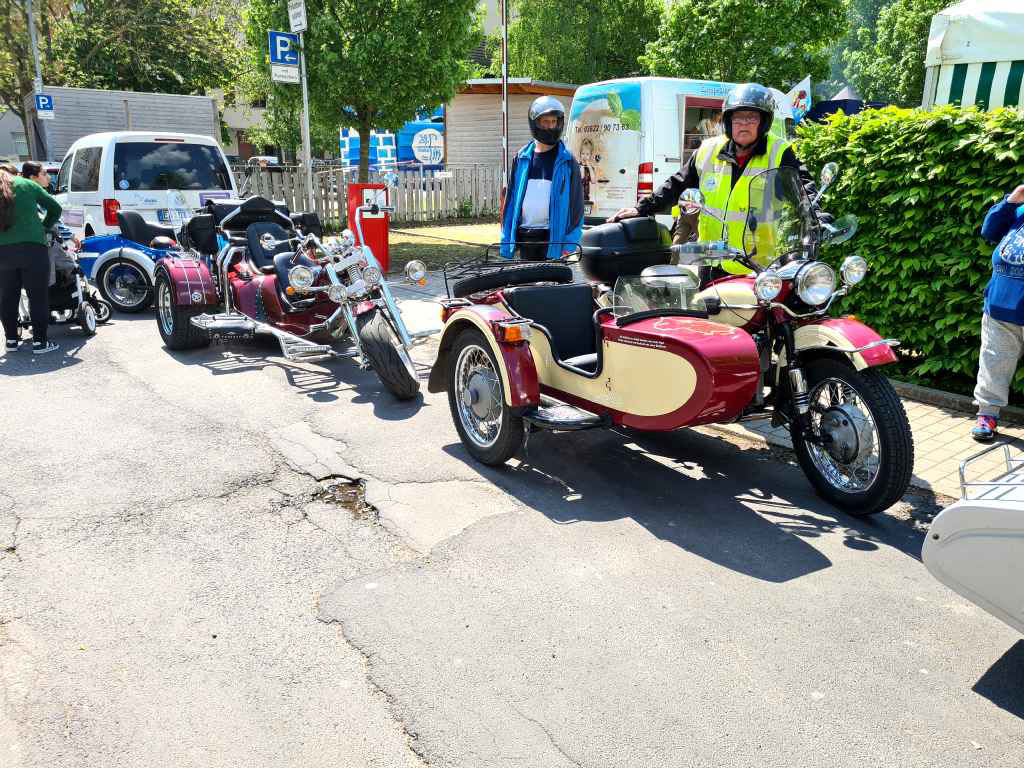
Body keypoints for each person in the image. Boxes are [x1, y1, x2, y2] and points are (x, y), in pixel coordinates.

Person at [608, 83, 823, 276]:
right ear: (728, 121)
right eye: (738, 118)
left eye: (752, 118)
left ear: (764, 122)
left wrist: (818, 218)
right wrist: (642, 208)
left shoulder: (779, 152)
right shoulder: (708, 150)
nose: (744, 124)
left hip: (756, 266)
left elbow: (803, 190)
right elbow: (677, 184)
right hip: (710, 261)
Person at [971, 184, 1024, 442]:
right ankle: (987, 416)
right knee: (993, 365)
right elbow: (989, 230)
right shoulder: (1018, 211)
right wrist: (1012, 200)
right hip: (1000, 308)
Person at [500, 96, 584, 261]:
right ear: (535, 123)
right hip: (525, 237)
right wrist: (506, 240)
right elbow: (510, 202)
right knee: (526, 278)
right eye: (545, 122)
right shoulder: (521, 158)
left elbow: (577, 208)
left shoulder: (567, 161)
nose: (550, 126)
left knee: (551, 279)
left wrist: (569, 245)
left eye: (554, 121)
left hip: (553, 240)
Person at [0, 164, 62, 354]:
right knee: (37, 297)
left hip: (2, 252)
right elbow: (55, 208)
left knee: (7, 297)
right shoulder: (26, 184)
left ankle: (11, 341)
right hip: (33, 248)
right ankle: (40, 343)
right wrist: (44, 227)